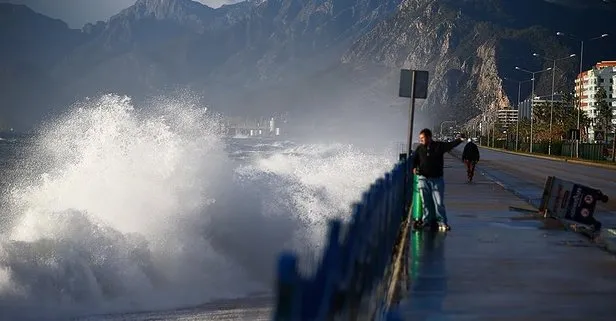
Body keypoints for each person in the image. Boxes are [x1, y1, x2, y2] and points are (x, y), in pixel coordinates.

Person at [412, 128, 464, 231]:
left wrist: (460, 140)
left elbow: (450, 145)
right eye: (420, 138)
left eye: (422, 138)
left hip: (436, 179)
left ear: (429, 137)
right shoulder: (420, 148)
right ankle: (426, 221)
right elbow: (415, 159)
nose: (421, 140)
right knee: (425, 202)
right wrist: (414, 168)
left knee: (439, 202)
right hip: (423, 179)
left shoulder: (438, 146)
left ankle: (442, 222)